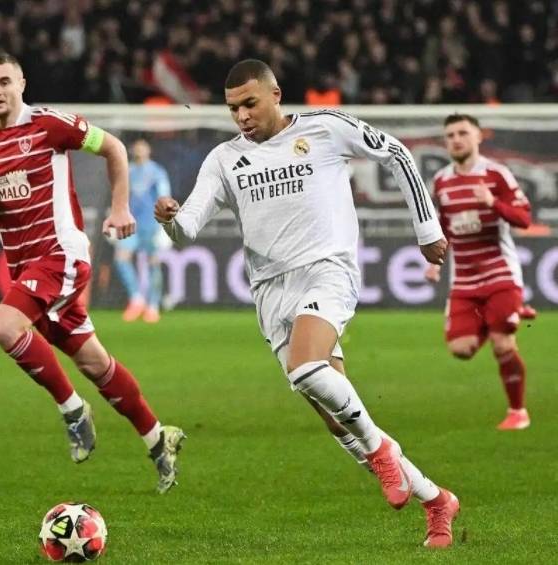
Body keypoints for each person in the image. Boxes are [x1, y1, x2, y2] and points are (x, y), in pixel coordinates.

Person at [155, 59, 459, 547]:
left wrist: (426, 229)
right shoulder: (224, 159)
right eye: (233, 109)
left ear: (276, 94)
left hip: (327, 270)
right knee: (335, 415)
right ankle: (436, 500)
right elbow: (187, 228)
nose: (242, 116)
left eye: (250, 104)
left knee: (305, 368)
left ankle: (382, 450)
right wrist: (170, 218)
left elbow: (398, 154)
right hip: (269, 291)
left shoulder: (325, 128)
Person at [0, 52, 185, 494]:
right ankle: (158, 438)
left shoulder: (48, 124)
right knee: (93, 362)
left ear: (21, 83)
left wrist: (120, 207)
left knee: (4, 327)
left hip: (60, 254)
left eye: (4, 81)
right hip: (24, 266)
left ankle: (73, 410)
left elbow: (114, 147)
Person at [425, 114, 531, 430]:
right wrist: (435, 261)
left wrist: (493, 202)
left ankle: (518, 412)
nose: (456, 140)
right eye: (450, 135)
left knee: (502, 343)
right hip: (464, 279)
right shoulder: (441, 181)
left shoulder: (497, 175)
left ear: (478, 137)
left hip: (500, 273)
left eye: (462, 133)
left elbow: (524, 219)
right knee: (461, 349)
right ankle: (506, 313)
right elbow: (443, 226)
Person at [114, 138, 172, 323]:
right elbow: (121, 196)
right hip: (130, 223)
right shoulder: (128, 171)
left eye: (142, 147)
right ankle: (137, 298)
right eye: (137, 147)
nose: (139, 150)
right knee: (121, 258)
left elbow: (164, 197)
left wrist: (165, 224)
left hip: (151, 223)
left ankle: (153, 306)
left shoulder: (157, 172)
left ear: (149, 150)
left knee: (153, 262)